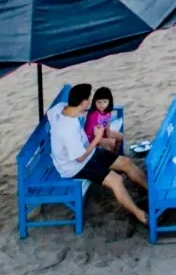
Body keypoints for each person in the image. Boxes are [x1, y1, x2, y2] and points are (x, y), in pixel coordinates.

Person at [49, 83, 147, 224]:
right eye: (88, 100)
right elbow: (79, 158)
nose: (90, 102)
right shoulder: (67, 130)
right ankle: (140, 215)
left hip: (86, 152)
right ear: (82, 103)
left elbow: (50, 114)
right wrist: (97, 137)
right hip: (74, 166)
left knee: (126, 162)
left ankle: (151, 190)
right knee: (116, 180)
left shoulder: (61, 108)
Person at [84, 86, 124, 152]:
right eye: (99, 102)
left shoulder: (107, 111)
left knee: (120, 136)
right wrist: (106, 139)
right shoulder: (94, 115)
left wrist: (108, 133)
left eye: (105, 102)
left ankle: (117, 154)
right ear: (95, 102)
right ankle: (112, 157)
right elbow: (89, 133)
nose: (102, 105)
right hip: (92, 137)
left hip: (102, 132)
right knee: (111, 143)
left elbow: (107, 123)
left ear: (109, 102)